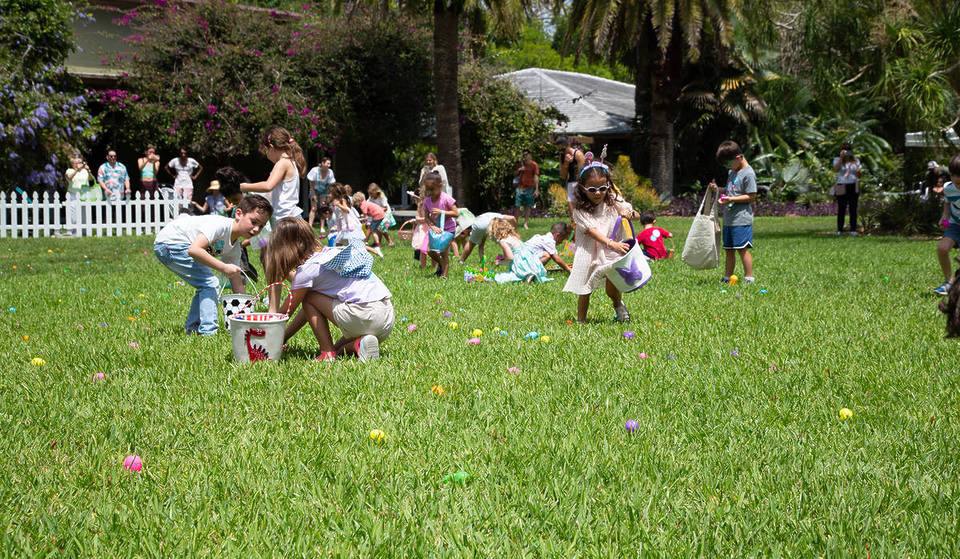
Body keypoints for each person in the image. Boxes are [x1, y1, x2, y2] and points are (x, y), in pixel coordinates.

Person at [265, 217, 394, 362]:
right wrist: (284, 337)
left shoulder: (306, 272)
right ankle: (360, 344)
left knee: (309, 297)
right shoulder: (331, 254)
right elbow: (307, 312)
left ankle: (327, 352)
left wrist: (268, 334)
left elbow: (286, 311)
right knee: (339, 350)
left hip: (364, 316)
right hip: (386, 318)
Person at [153, 195, 272, 335]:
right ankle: (208, 332)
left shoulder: (234, 248)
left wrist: (245, 309)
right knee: (210, 283)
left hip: (172, 246)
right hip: (170, 243)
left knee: (206, 284)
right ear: (239, 214)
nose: (256, 229)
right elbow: (194, 249)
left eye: (261, 226)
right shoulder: (220, 225)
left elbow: (236, 281)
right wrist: (223, 267)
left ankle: (193, 329)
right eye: (254, 222)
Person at [563, 152, 639, 323]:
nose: (598, 193)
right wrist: (612, 244)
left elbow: (636, 216)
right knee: (585, 287)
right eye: (592, 189)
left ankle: (618, 306)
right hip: (589, 251)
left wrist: (629, 213)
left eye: (602, 188)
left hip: (611, 250)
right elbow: (592, 231)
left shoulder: (613, 200)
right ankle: (581, 320)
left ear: (608, 186)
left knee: (612, 286)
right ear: (582, 188)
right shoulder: (579, 210)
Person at [708, 140, 757, 284]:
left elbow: (751, 196)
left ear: (738, 157)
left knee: (742, 249)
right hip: (729, 219)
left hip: (741, 219)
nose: (727, 167)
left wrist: (732, 199)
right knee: (729, 249)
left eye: (728, 164)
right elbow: (730, 191)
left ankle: (749, 277)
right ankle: (727, 276)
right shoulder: (732, 172)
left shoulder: (748, 174)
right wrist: (718, 190)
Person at [419, 171, 459, 278]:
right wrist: (432, 226)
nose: (429, 192)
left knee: (443, 252)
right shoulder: (427, 201)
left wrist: (443, 212)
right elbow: (427, 217)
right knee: (430, 251)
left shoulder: (446, 198)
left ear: (440, 185)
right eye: (427, 189)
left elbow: (456, 213)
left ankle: (444, 276)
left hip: (448, 230)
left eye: (432, 189)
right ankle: (442, 264)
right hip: (435, 229)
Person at [489, 217, 551, 283]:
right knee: (525, 271)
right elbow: (514, 251)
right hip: (530, 260)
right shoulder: (514, 236)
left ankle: (525, 276)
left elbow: (510, 258)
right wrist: (504, 257)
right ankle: (530, 274)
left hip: (520, 263)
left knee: (500, 278)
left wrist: (500, 262)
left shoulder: (503, 241)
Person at [933, 153, 960, 295]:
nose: (957, 178)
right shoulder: (949, 188)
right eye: (954, 174)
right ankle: (949, 282)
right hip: (955, 225)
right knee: (942, 249)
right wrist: (945, 216)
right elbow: (948, 203)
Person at [832, 143, 861, 235]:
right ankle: (839, 229)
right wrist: (841, 158)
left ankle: (853, 230)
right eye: (844, 150)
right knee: (841, 208)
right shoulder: (837, 160)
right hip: (841, 185)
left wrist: (855, 165)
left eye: (848, 150)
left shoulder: (855, 160)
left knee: (853, 208)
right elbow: (836, 169)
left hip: (853, 185)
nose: (846, 152)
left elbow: (859, 174)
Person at [63, 155, 96, 235]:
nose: (81, 164)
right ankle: (73, 231)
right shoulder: (69, 170)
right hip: (73, 195)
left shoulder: (84, 171)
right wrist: (77, 170)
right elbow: (69, 177)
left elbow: (92, 180)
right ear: (73, 164)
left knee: (85, 214)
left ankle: (85, 231)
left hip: (84, 195)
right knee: (73, 215)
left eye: (81, 162)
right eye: (79, 163)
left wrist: (88, 171)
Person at [556, 136, 586, 221]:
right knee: (571, 209)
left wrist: (581, 187)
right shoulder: (562, 156)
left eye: (563, 149)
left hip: (580, 183)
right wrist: (566, 163)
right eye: (559, 150)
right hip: (570, 183)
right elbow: (563, 176)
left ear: (569, 145)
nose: (562, 152)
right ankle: (574, 224)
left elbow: (583, 173)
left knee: (581, 208)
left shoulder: (578, 154)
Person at [352, 192, 386, 257]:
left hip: (377, 215)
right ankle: (377, 243)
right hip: (381, 213)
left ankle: (377, 245)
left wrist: (357, 220)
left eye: (355, 202)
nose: (356, 204)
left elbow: (365, 217)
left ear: (359, 201)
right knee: (375, 229)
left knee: (373, 230)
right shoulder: (366, 203)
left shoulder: (362, 205)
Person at [306, 157, 335, 232]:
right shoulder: (315, 170)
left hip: (324, 191)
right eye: (327, 163)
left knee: (323, 208)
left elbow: (331, 184)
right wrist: (313, 194)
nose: (329, 165)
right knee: (313, 208)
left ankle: (322, 227)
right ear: (322, 163)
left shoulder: (330, 172)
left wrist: (329, 194)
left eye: (330, 164)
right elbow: (311, 182)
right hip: (314, 190)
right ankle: (310, 226)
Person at [514, 150, 539, 229]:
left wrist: (536, 189)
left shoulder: (534, 165)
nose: (525, 156)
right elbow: (514, 174)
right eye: (524, 155)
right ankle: (515, 223)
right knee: (517, 205)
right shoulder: (520, 164)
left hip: (530, 188)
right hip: (520, 187)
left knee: (528, 206)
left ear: (530, 155)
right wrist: (519, 170)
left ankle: (525, 223)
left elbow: (536, 176)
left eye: (526, 155)